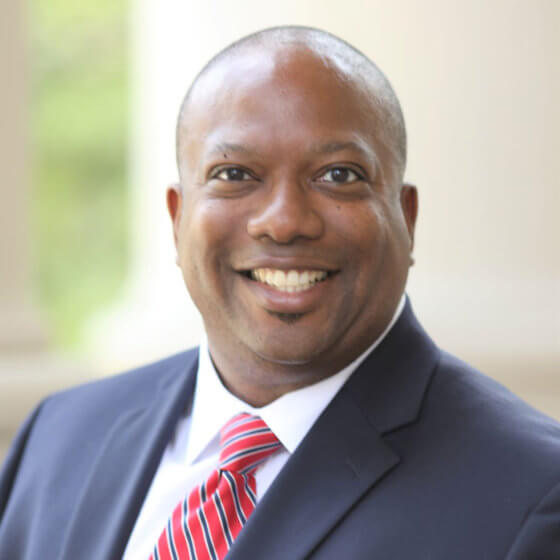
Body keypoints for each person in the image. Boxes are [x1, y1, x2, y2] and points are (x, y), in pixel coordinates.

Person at [1, 26, 559, 559]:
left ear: (406, 219)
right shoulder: (59, 438)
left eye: (339, 175)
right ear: (177, 219)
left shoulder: (530, 496)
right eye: (234, 174)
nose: (285, 221)